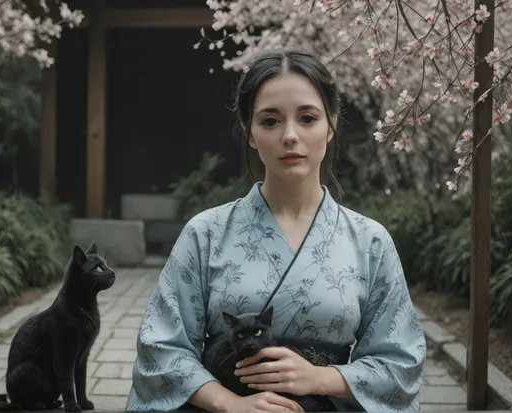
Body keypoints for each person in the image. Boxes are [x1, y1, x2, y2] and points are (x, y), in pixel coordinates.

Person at [125, 49, 426, 413]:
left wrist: (318, 378)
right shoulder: (206, 233)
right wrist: (228, 402)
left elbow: (400, 361)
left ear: (331, 125)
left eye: (308, 118)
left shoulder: (369, 240)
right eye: (270, 121)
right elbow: (161, 348)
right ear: (249, 132)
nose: (289, 136)